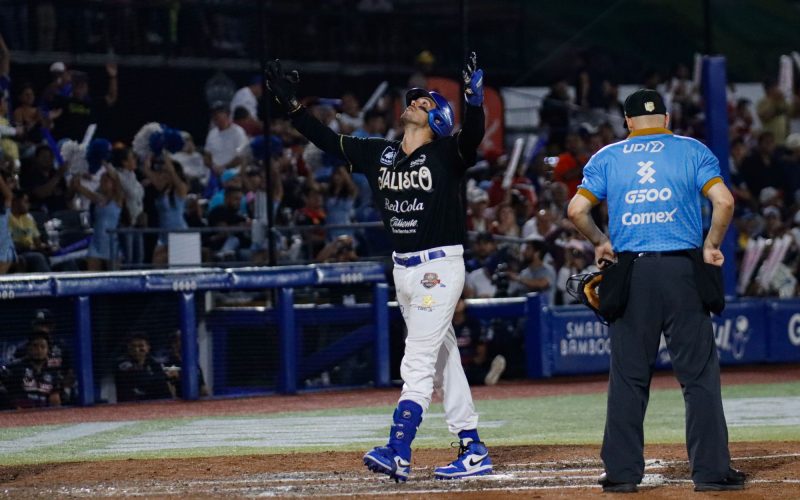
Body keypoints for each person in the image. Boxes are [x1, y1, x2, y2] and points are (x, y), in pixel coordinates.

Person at [266, 52, 492, 481]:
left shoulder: (447, 153)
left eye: (425, 102)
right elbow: (327, 140)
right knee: (443, 360)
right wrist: (292, 106)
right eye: (416, 99)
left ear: (438, 121)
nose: (415, 102)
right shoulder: (379, 153)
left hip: (438, 267)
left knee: (418, 360)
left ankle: (399, 449)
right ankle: (472, 447)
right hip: (403, 270)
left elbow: (474, 136)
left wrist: (473, 101)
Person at [567, 88, 745, 492]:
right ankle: (711, 472)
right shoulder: (692, 150)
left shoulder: (608, 157)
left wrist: (600, 241)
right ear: (666, 118)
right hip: (684, 271)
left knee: (628, 378)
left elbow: (576, 210)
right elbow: (724, 202)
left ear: (627, 121)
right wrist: (712, 245)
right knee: (698, 377)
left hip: (632, 272)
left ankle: (622, 474)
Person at [5, 331, 62, 409]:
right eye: (35, 346)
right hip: (20, 412)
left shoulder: (53, 372)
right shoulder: (16, 368)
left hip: (44, 413)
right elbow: (11, 395)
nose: (39, 350)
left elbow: (55, 400)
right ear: (28, 348)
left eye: (43, 347)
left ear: (48, 350)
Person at [114, 333, 174, 402]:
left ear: (148, 347)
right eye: (133, 346)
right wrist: (163, 375)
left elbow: (163, 380)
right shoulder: (121, 363)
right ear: (128, 347)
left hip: (154, 401)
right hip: (131, 402)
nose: (136, 350)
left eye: (141, 346)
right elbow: (140, 378)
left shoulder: (154, 363)